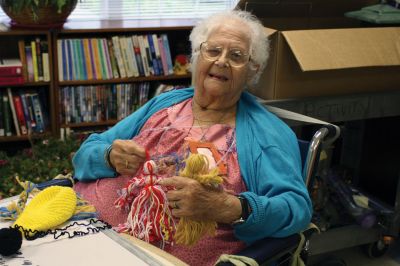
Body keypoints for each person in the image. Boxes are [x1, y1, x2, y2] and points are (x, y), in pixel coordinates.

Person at [73, 10, 312, 266]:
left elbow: (296, 209)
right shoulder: (165, 104)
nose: (222, 61)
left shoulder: (266, 133)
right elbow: (85, 154)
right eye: (213, 50)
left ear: (253, 71)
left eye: (236, 56)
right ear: (197, 57)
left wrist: (225, 206)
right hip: (87, 233)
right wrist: (109, 156)